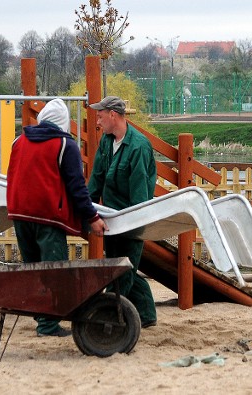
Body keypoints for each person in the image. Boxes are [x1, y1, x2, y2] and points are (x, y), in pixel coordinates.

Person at [6, 98, 107, 337]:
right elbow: (76, 186)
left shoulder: (19, 141)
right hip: (48, 217)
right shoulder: (64, 144)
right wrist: (92, 217)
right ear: (63, 123)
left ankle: (41, 316)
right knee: (55, 272)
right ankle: (48, 325)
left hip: (20, 214)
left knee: (33, 269)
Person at [87, 96, 158, 328]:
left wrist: (136, 225)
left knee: (123, 271)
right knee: (121, 267)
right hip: (111, 217)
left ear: (113, 115)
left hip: (131, 219)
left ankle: (107, 313)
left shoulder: (138, 146)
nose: (97, 120)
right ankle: (147, 315)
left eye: (100, 115)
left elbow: (140, 190)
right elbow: (97, 176)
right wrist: (88, 210)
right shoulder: (107, 141)